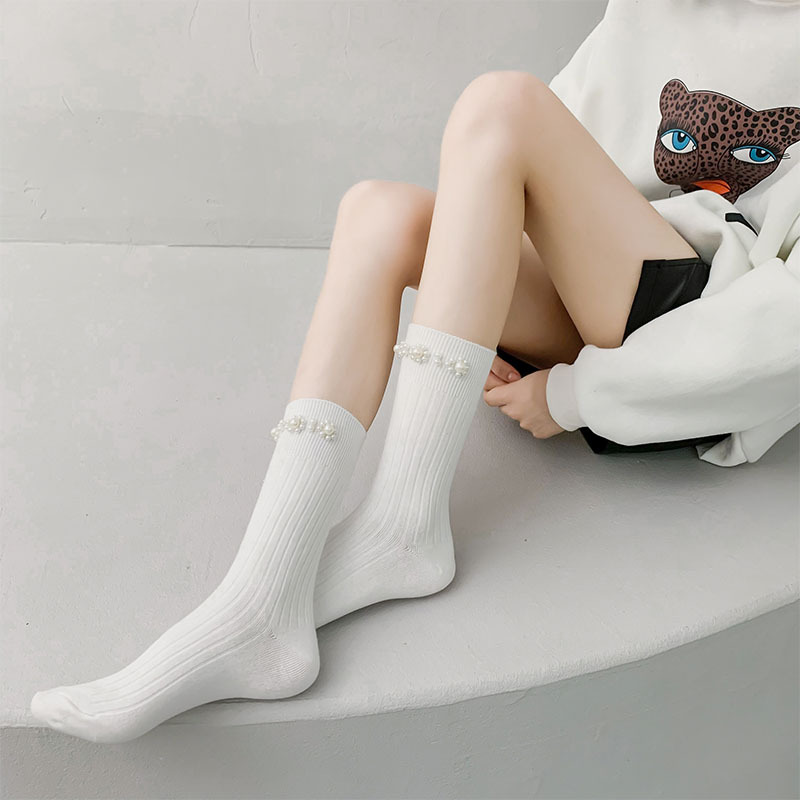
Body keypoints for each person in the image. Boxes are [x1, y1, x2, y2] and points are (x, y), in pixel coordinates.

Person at [30, 0, 800, 742]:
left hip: (697, 334)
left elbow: (780, 332)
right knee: (379, 213)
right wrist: (483, 307)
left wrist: (576, 394)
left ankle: (399, 523)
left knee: (503, 103)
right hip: (604, 292)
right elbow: (551, 162)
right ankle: (263, 588)